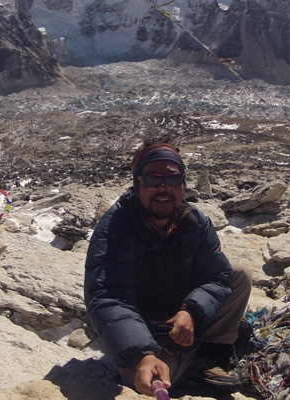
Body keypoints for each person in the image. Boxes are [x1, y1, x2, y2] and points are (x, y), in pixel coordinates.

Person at [84, 141, 252, 396]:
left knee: (239, 275)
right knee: (143, 378)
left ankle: (209, 352)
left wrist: (191, 311)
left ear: (183, 185)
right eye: (152, 179)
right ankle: (197, 348)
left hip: (180, 310)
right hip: (144, 324)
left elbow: (218, 276)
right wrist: (143, 355)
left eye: (173, 178)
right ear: (137, 185)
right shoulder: (115, 229)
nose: (163, 187)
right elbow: (108, 296)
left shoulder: (195, 222)